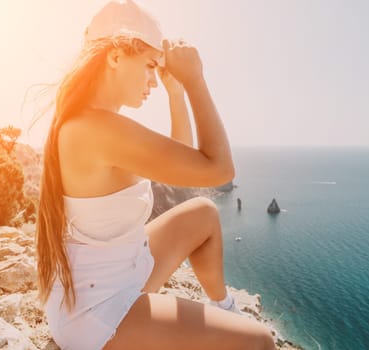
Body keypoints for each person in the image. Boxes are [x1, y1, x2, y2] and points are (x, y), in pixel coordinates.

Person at [35, 1, 276, 349]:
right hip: (98, 311)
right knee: (260, 343)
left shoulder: (92, 122)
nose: (152, 80)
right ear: (115, 56)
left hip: (122, 271)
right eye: (149, 65)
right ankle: (229, 327)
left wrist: (175, 92)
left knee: (204, 214)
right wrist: (195, 80)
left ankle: (225, 308)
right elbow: (219, 168)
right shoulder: (95, 130)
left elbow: (182, 166)